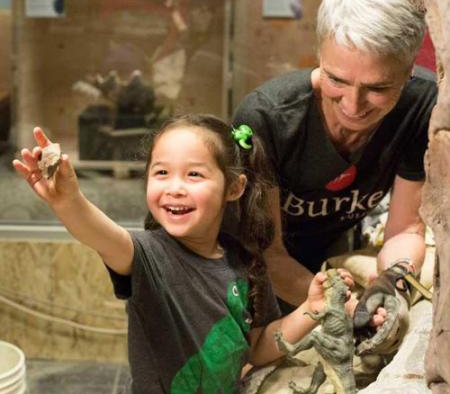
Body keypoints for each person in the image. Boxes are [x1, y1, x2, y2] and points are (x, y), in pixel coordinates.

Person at [13, 115, 354, 394]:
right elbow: (100, 234)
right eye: (161, 172)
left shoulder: (246, 262)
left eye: (194, 174)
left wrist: (311, 309)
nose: (175, 187)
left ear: (233, 188)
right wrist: (68, 201)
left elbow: (257, 347)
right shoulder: (149, 256)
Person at [232, 0, 437, 352]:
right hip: (253, 272)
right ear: (319, 53)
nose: (353, 106)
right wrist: (344, 304)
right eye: (336, 80)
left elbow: (406, 229)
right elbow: (268, 254)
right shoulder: (268, 118)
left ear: (410, 69)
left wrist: (392, 283)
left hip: (329, 261)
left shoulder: (421, 105)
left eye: (377, 88)